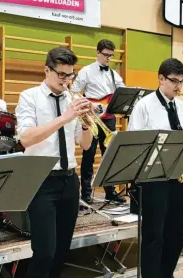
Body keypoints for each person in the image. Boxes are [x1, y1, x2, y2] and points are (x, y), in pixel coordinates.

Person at [15, 46, 93, 277]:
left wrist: (86, 122)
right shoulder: (29, 97)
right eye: (61, 75)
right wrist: (65, 117)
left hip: (69, 180)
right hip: (41, 181)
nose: (67, 80)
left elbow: (85, 144)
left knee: (61, 250)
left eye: (71, 75)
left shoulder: (73, 99)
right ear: (46, 70)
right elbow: (27, 138)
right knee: (44, 251)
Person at [127, 58, 183, 278]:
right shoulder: (143, 106)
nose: (179, 86)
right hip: (154, 179)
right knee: (153, 235)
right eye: (174, 81)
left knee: (177, 234)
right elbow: (135, 144)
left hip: (180, 177)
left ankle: (167, 274)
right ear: (160, 79)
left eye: (182, 81)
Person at [71, 39, 126, 204]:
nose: (108, 58)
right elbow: (73, 92)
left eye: (111, 56)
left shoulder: (113, 74)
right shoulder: (86, 71)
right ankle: (86, 194)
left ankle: (110, 191)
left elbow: (122, 91)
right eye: (106, 55)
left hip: (108, 118)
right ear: (98, 53)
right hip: (92, 117)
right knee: (88, 156)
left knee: (109, 155)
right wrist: (90, 104)